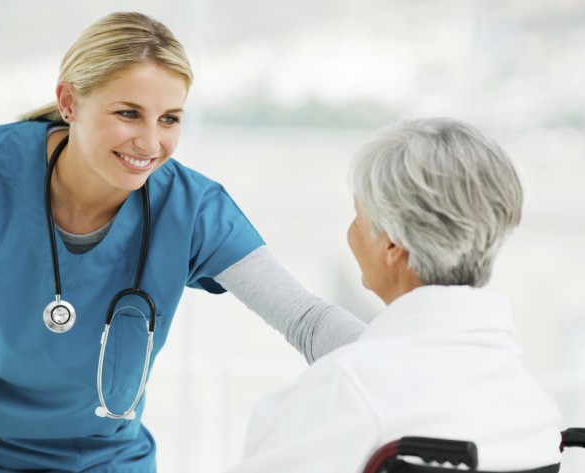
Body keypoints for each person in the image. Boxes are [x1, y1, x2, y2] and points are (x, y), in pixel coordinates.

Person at [0, 12, 366, 473]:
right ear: (69, 103)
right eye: (129, 114)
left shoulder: (193, 210)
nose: (151, 144)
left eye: (170, 119)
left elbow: (306, 319)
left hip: (94, 451)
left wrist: (418, 356)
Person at [227, 118, 563, 473]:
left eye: (357, 217)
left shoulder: (347, 391)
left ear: (391, 243)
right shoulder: (536, 413)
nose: (351, 231)